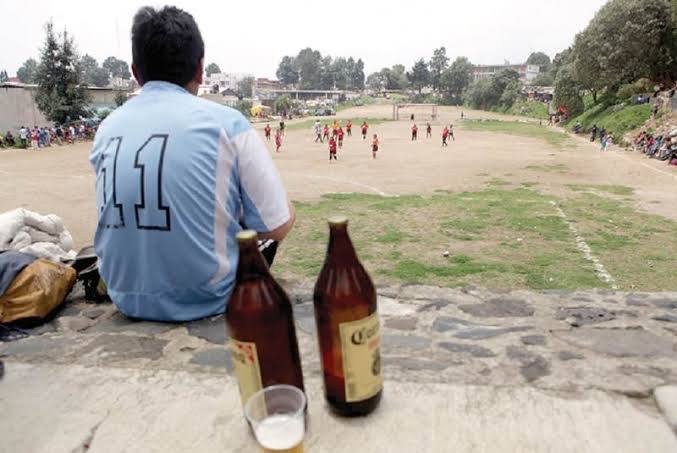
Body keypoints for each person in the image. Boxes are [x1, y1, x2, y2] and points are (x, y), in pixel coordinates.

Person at [89, 6, 295, 322]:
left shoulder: (107, 128)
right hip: (209, 298)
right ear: (200, 70)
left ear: (135, 71)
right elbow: (276, 226)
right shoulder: (227, 124)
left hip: (125, 297)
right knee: (273, 215)